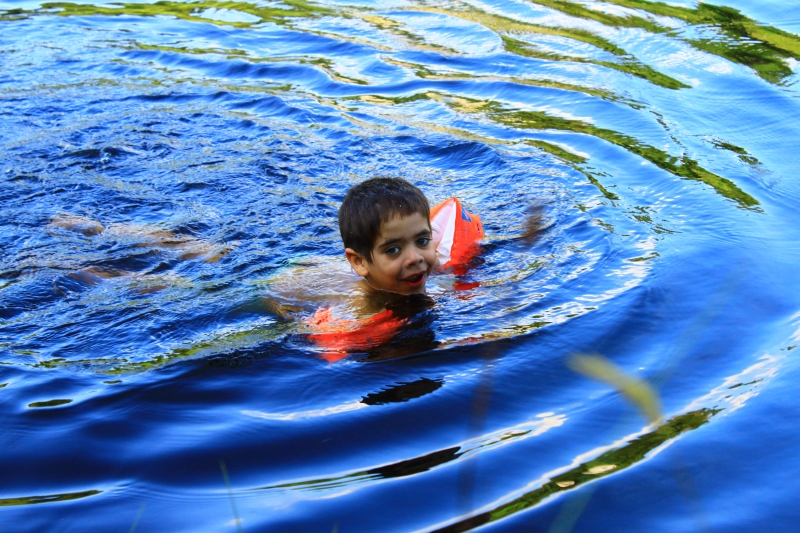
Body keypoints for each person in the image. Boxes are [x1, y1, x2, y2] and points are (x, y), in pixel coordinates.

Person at [297, 177, 484, 360]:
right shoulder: (362, 311)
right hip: (301, 280)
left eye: (421, 241)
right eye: (393, 250)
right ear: (360, 262)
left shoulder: (419, 266)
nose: (415, 258)